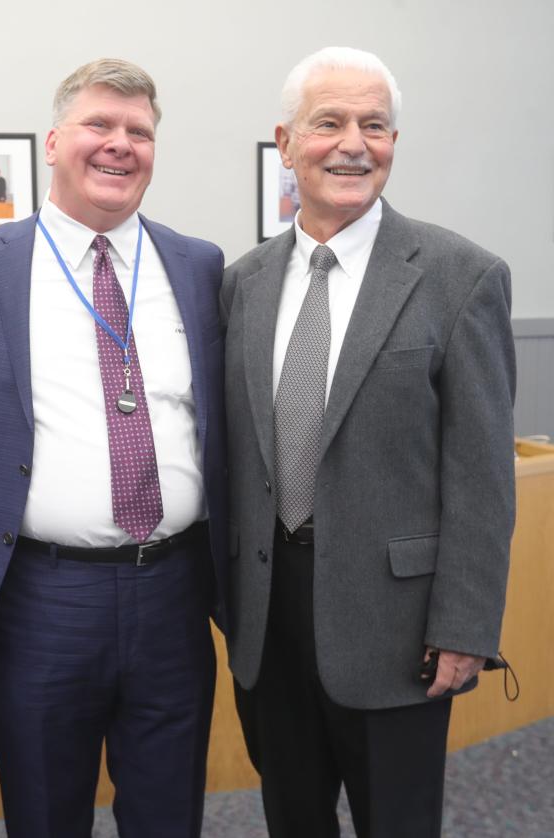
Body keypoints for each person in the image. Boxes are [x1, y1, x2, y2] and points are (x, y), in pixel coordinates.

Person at [220, 46, 515, 838]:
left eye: (375, 125)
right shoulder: (242, 283)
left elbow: (484, 477)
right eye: (330, 123)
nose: (355, 143)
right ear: (285, 143)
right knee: (292, 817)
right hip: (269, 623)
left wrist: (465, 626)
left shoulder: (461, 277)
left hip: (398, 631)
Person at [0, 59, 227, 837]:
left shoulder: (198, 266)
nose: (120, 145)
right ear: (55, 139)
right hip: (41, 600)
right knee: (43, 816)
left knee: (170, 817)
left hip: (174, 592)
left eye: (140, 131)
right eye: (100, 125)